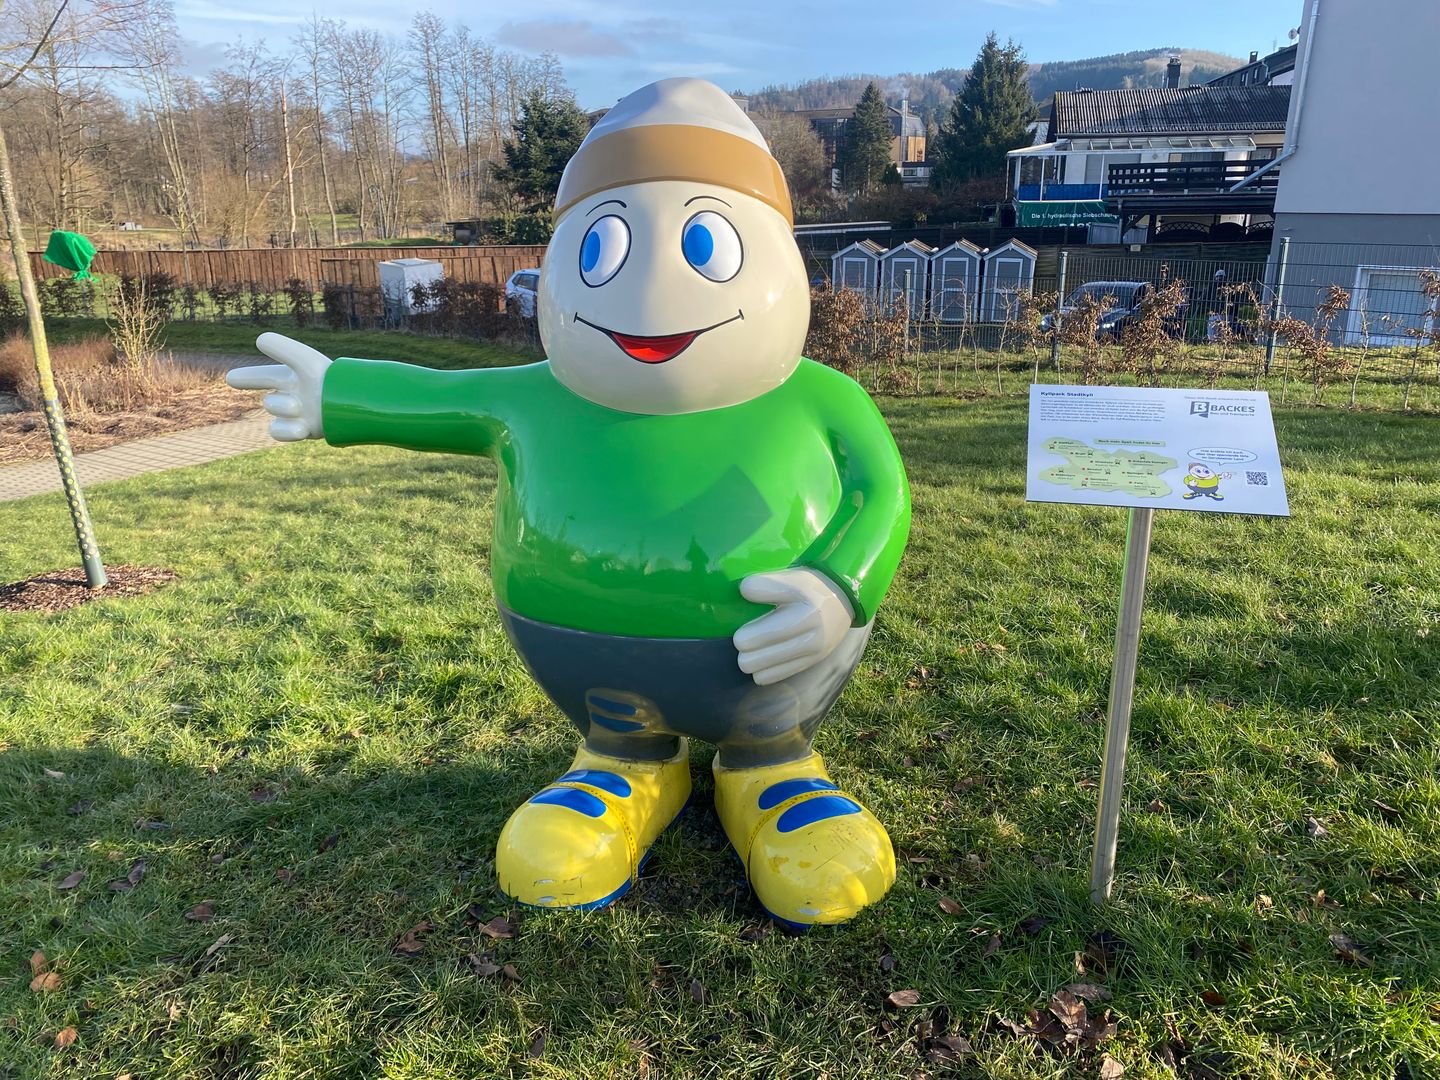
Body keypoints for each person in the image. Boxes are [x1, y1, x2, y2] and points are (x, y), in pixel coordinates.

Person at [225, 78, 911, 928]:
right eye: (603, 247)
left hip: (774, 671)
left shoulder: (820, 399)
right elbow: (437, 397)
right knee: (610, 754)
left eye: (704, 243)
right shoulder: (537, 400)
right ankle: (624, 764)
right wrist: (339, 393)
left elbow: (882, 494)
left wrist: (840, 586)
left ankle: (772, 768)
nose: (650, 291)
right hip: (587, 665)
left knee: (774, 752)